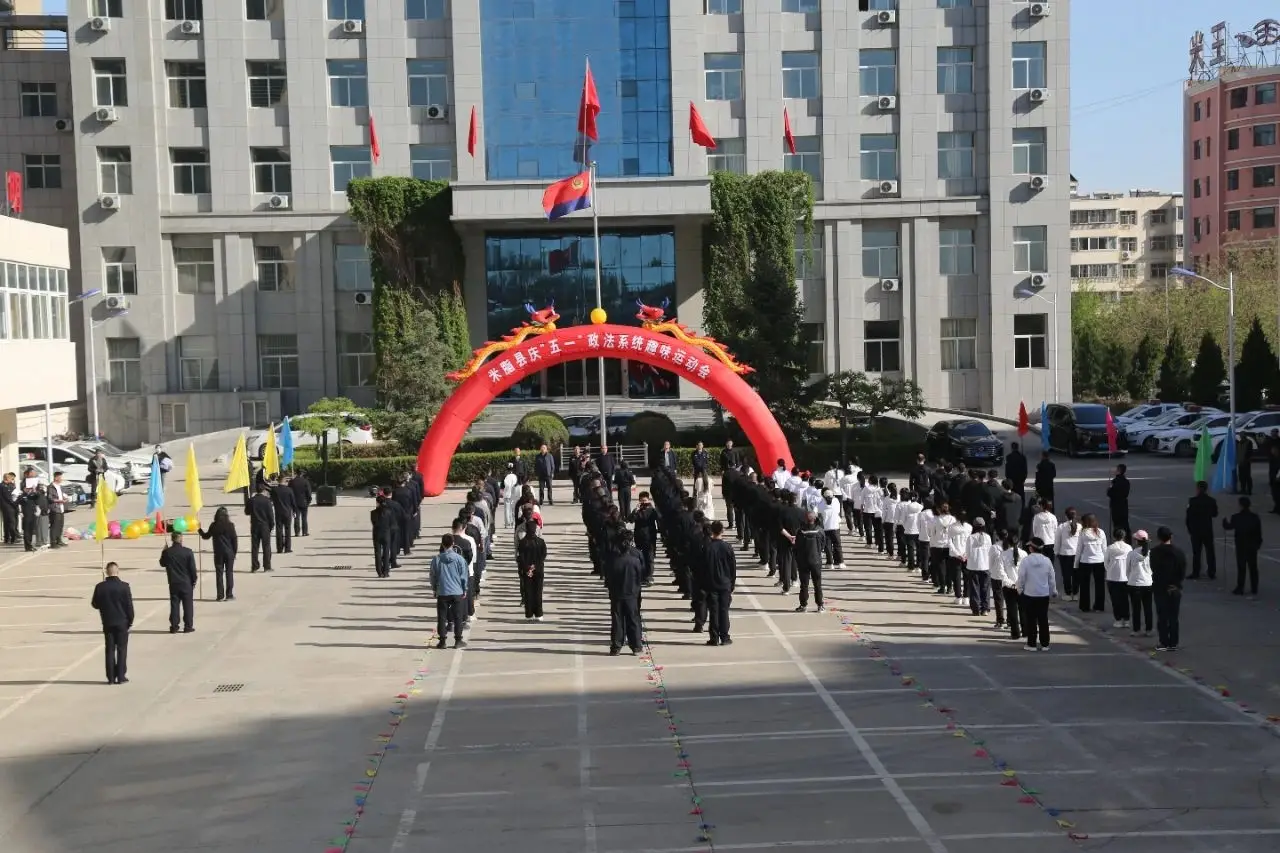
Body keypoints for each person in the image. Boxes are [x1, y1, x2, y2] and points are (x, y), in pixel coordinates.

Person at [91, 562, 134, 685]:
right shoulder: (124, 586)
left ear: (106, 572)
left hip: (108, 621)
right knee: (121, 650)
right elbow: (129, 606)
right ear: (117, 571)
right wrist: (130, 621)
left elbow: (94, 604)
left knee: (109, 650)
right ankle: (120, 676)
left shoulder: (100, 587)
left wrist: (103, 602)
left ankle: (110, 677)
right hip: (122, 622)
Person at [605, 529, 644, 655]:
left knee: (617, 620)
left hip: (617, 593)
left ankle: (616, 646)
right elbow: (640, 575)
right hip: (632, 593)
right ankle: (636, 645)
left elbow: (608, 577)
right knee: (633, 619)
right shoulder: (635, 559)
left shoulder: (613, 559)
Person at [1017, 538, 1058, 651]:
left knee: (1031, 620)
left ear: (1031, 548)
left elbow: (1021, 577)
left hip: (1029, 594)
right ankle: (1045, 644)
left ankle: (1032, 644)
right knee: (1043, 619)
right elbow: (1052, 578)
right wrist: (1053, 591)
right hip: (1043, 594)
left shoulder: (1026, 561)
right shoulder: (1047, 561)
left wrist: (1019, 589)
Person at [1150, 526, 1187, 651]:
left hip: (1160, 588)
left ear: (1158, 537)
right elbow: (1182, 570)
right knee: (1173, 617)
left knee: (1162, 617)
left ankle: (1164, 641)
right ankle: (1173, 642)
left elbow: (1153, 569)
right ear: (1171, 537)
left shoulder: (1155, 552)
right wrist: (1176, 583)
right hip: (1175, 588)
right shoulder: (1179, 552)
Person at [430, 534, 469, 649]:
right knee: (458, 616)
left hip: (443, 591)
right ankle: (458, 640)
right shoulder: (459, 559)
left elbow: (433, 576)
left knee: (442, 617)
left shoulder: (436, 559)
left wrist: (434, 588)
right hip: (457, 591)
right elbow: (463, 576)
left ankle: (442, 641)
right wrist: (464, 589)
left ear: (442, 544)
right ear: (453, 544)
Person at [701, 520, 737, 645]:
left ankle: (714, 637)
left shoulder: (707, 547)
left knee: (714, 611)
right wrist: (732, 583)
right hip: (725, 583)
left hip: (711, 584)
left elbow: (702, 567)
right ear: (722, 531)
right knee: (724, 611)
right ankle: (725, 637)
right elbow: (733, 568)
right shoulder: (727, 547)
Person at [1223, 495, 1263, 597]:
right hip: (1252, 545)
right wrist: (1258, 544)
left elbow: (1229, 527)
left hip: (1241, 545)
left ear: (1240, 505)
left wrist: (1224, 522)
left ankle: (1240, 587)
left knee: (1241, 567)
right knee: (1253, 567)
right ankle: (1254, 587)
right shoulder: (1255, 517)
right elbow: (1258, 532)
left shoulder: (1236, 517)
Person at [159, 531, 198, 634]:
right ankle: (188, 626)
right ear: (181, 539)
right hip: (186, 582)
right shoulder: (188, 552)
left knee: (174, 605)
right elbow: (192, 569)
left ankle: (174, 626)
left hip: (174, 582)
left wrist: (164, 551)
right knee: (188, 605)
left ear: (172, 539)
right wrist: (194, 580)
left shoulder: (168, 552)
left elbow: (162, 563)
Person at [198, 507, 239, 601]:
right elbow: (234, 540)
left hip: (218, 553)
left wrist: (199, 530)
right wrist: (234, 553)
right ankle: (229, 594)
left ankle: (220, 595)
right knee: (229, 573)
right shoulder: (230, 525)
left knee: (219, 574)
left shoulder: (214, 525)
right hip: (229, 553)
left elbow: (206, 536)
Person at [792, 510, 829, 613]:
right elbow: (823, 544)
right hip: (816, 560)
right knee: (817, 584)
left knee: (804, 585)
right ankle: (820, 605)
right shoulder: (820, 530)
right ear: (815, 519)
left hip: (803, 561)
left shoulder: (800, 531)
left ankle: (803, 605)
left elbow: (796, 546)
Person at [1184, 480, 1218, 580]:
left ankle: (1196, 572)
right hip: (1207, 529)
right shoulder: (1211, 501)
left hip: (1196, 530)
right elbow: (1215, 514)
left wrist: (1189, 528)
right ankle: (1211, 572)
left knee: (1196, 552)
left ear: (1198, 489)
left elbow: (1188, 516)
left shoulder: (1192, 501)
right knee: (1210, 551)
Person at [993, 530, 1025, 638]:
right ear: (1019, 543)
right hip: (1022, 586)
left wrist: (1011, 584)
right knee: (1023, 609)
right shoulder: (1024, 554)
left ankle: (1015, 633)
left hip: (1008, 587)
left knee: (1012, 611)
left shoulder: (1003, 555)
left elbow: (1001, 572)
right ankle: (1026, 631)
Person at [516, 519, 547, 620]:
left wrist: (528, 568)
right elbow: (543, 556)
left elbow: (520, 557)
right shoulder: (541, 542)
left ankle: (529, 614)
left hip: (527, 571)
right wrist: (535, 566)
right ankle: (539, 613)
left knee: (528, 592)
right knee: (538, 592)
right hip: (538, 570)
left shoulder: (522, 543)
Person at [1125, 530, 1154, 638]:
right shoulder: (1150, 554)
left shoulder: (1132, 554)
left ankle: (1136, 630)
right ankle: (1149, 629)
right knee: (1148, 608)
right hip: (1148, 583)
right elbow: (1152, 569)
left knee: (1136, 609)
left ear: (1136, 541)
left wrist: (1130, 578)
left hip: (1134, 583)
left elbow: (1127, 569)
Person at [1104, 528, 1132, 629]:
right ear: (1124, 537)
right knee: (1125, 599)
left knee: (1115, 600)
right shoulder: (1128, 547)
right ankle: (1127, 619)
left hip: (1112, 577)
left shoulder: (1110, 548)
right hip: (1125, 577)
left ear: (1114, 537)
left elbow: (1106, 562)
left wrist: (1110, 570)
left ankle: (1118, 620)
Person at [965, 517, 994, 616]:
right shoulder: (988, 537)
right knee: (985, 588)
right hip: (985, 565)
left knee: (974, 588)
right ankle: (985, 609)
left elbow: (967, 552)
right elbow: (990, 552)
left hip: (973, 566)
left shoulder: (971, 538)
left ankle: (976, 609)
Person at [630, 491, 659, 585]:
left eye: (645, 501)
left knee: (649, 557)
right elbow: (630, 519)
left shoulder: (652, 510)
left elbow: (657, 519)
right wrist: (636, 510)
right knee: (640, 557)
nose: (643, 503)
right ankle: (642, 575)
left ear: (648, 500)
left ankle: (649, 576)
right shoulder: (637, 510)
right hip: (639, 536)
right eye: (641, 501)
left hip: (650, 537)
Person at [245, 484, 275, 572]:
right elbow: (270, 515)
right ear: (264, 490)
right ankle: (267, 566)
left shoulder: (251, 500)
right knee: (266, 546)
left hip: (255, 525)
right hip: (265, 526)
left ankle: (254, 566)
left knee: (255, 547)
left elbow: (247, 512)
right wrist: (272, 526)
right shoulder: (267, 501)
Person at [945, 510, 972, 606]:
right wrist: (966, 554)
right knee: (967, 577)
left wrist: (957, 554)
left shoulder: (952, 527)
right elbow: (970, 542)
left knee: (956, 577)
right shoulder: (969, 527)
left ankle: (958, 597)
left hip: (955, 555)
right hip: (966, 555)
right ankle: (966, 597)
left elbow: (949, 542)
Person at [370, 493, 399, 578]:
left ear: (377, 503)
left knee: (377, 553)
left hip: (377, 534)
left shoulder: (373, 513)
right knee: (386, 552)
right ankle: (386, 571)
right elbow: (392, 523)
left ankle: (379, 571)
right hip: (386, 534)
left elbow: (374, 523)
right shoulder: (389, 512)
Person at [1054, 507, 1081, 601]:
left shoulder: (1061, 527)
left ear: (1066, 516)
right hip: (1076, 554)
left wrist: (1056, 552)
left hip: (1064, 554)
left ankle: (1068, 594)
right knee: (1076, 575)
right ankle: (1076, 594)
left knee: (1066, 575)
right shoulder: (1080, 526)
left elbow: (1057, 541)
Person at [271, 477, 297, 554]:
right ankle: (287, 548)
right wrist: (294, 511)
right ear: (284, 481)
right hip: (287, 512)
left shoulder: (274, 490)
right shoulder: (289, 490)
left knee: (279, 530)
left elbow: (271, 499)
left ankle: (279, 548)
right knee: (287, 530)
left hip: (278, 512)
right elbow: (293, 501)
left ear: (278, 481)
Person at [1107, 464, 1130, 537]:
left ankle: (1118, 537)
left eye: (1116, 469)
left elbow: (1110, 493)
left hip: (1116, 505)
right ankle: (1128, 538)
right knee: (1125, 523)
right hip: (1124, 504)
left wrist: (1109, 489)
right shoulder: (1126, 482)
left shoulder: (1115, 481)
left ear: (1119, 471)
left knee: (1117, 523)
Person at [47, 471, 68, 548]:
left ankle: (59, 540)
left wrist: (65, 498)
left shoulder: (60, 487)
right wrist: (60, 501)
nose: (61, 479)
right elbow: (50, 498)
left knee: (60, 525)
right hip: (55, 509)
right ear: (56, 478)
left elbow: (62, 495)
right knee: (54, 526)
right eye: (60, 477)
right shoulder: (51, 487)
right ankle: (53, 542)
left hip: (61, 508)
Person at [289, 471, 313, 536]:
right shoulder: (305, 481)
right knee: (304, 518)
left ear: (296, 474)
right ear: (302, 474)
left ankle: (297, 532)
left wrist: (291, 502)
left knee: (296, 518)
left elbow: (289, 492)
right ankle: (304, 532)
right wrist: (308, 501)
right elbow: (309, 493)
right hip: (304, 502)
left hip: (295, 502)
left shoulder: (292, 482)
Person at [0, 472, 17, 545]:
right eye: (11, 478)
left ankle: (6, 538)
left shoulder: (4, 485)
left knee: (6, 523)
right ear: (7, 478)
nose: (12, 480)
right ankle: (13, 538)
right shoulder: (4, 486)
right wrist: (15, 504)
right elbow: (8, 497)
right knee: (11, 523)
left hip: (5, 507)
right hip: (8, 506)